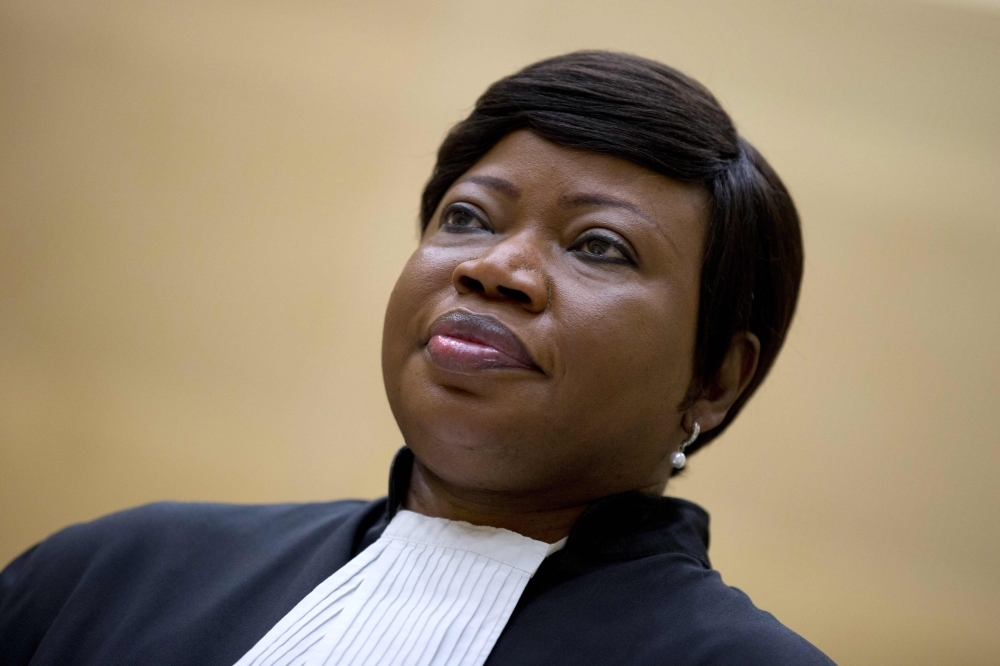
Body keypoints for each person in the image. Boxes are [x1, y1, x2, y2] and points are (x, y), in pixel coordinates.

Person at [0, 51, 835, 665]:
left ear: (716, 378)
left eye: (600, 246)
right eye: (470, 218)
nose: (494, 267)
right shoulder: (115, 574)